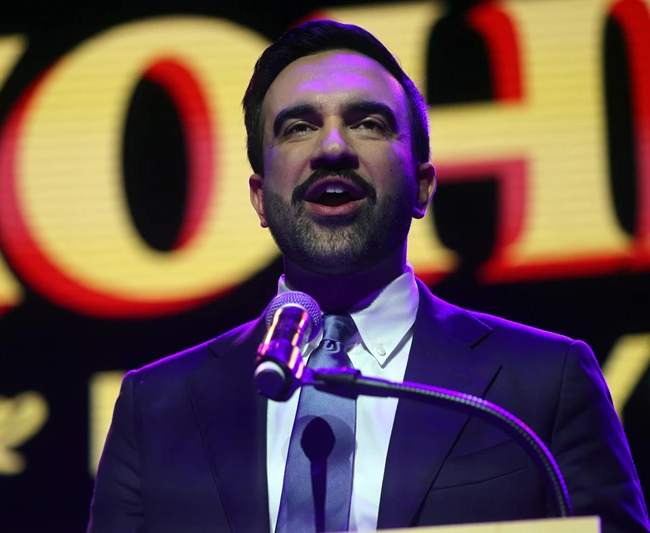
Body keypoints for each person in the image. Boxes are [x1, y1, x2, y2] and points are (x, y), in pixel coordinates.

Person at [87, 20, 649, 533]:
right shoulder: (156, 406)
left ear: (423, 185)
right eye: (298, 127)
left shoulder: (543, 385)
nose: (333, 148)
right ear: (260, 197)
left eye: (369, 123)